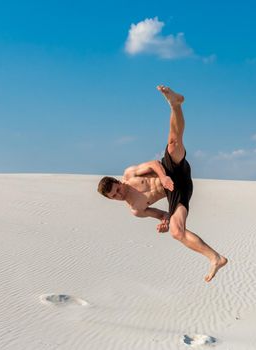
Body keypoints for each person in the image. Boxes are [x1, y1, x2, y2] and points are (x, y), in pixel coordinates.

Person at [97, 85, 227, 282]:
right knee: (176, 231)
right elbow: (161, 214)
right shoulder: (136, 209)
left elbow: (154, 164)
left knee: (173, 143)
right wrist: (165, 222)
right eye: (114, 197)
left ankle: (175, 104)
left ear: (119, 182)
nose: (119, 195)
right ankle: (215, 258)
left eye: (117, 190)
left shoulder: (130, 174)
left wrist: (164, 177)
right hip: (179, 190)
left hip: (170, 170)